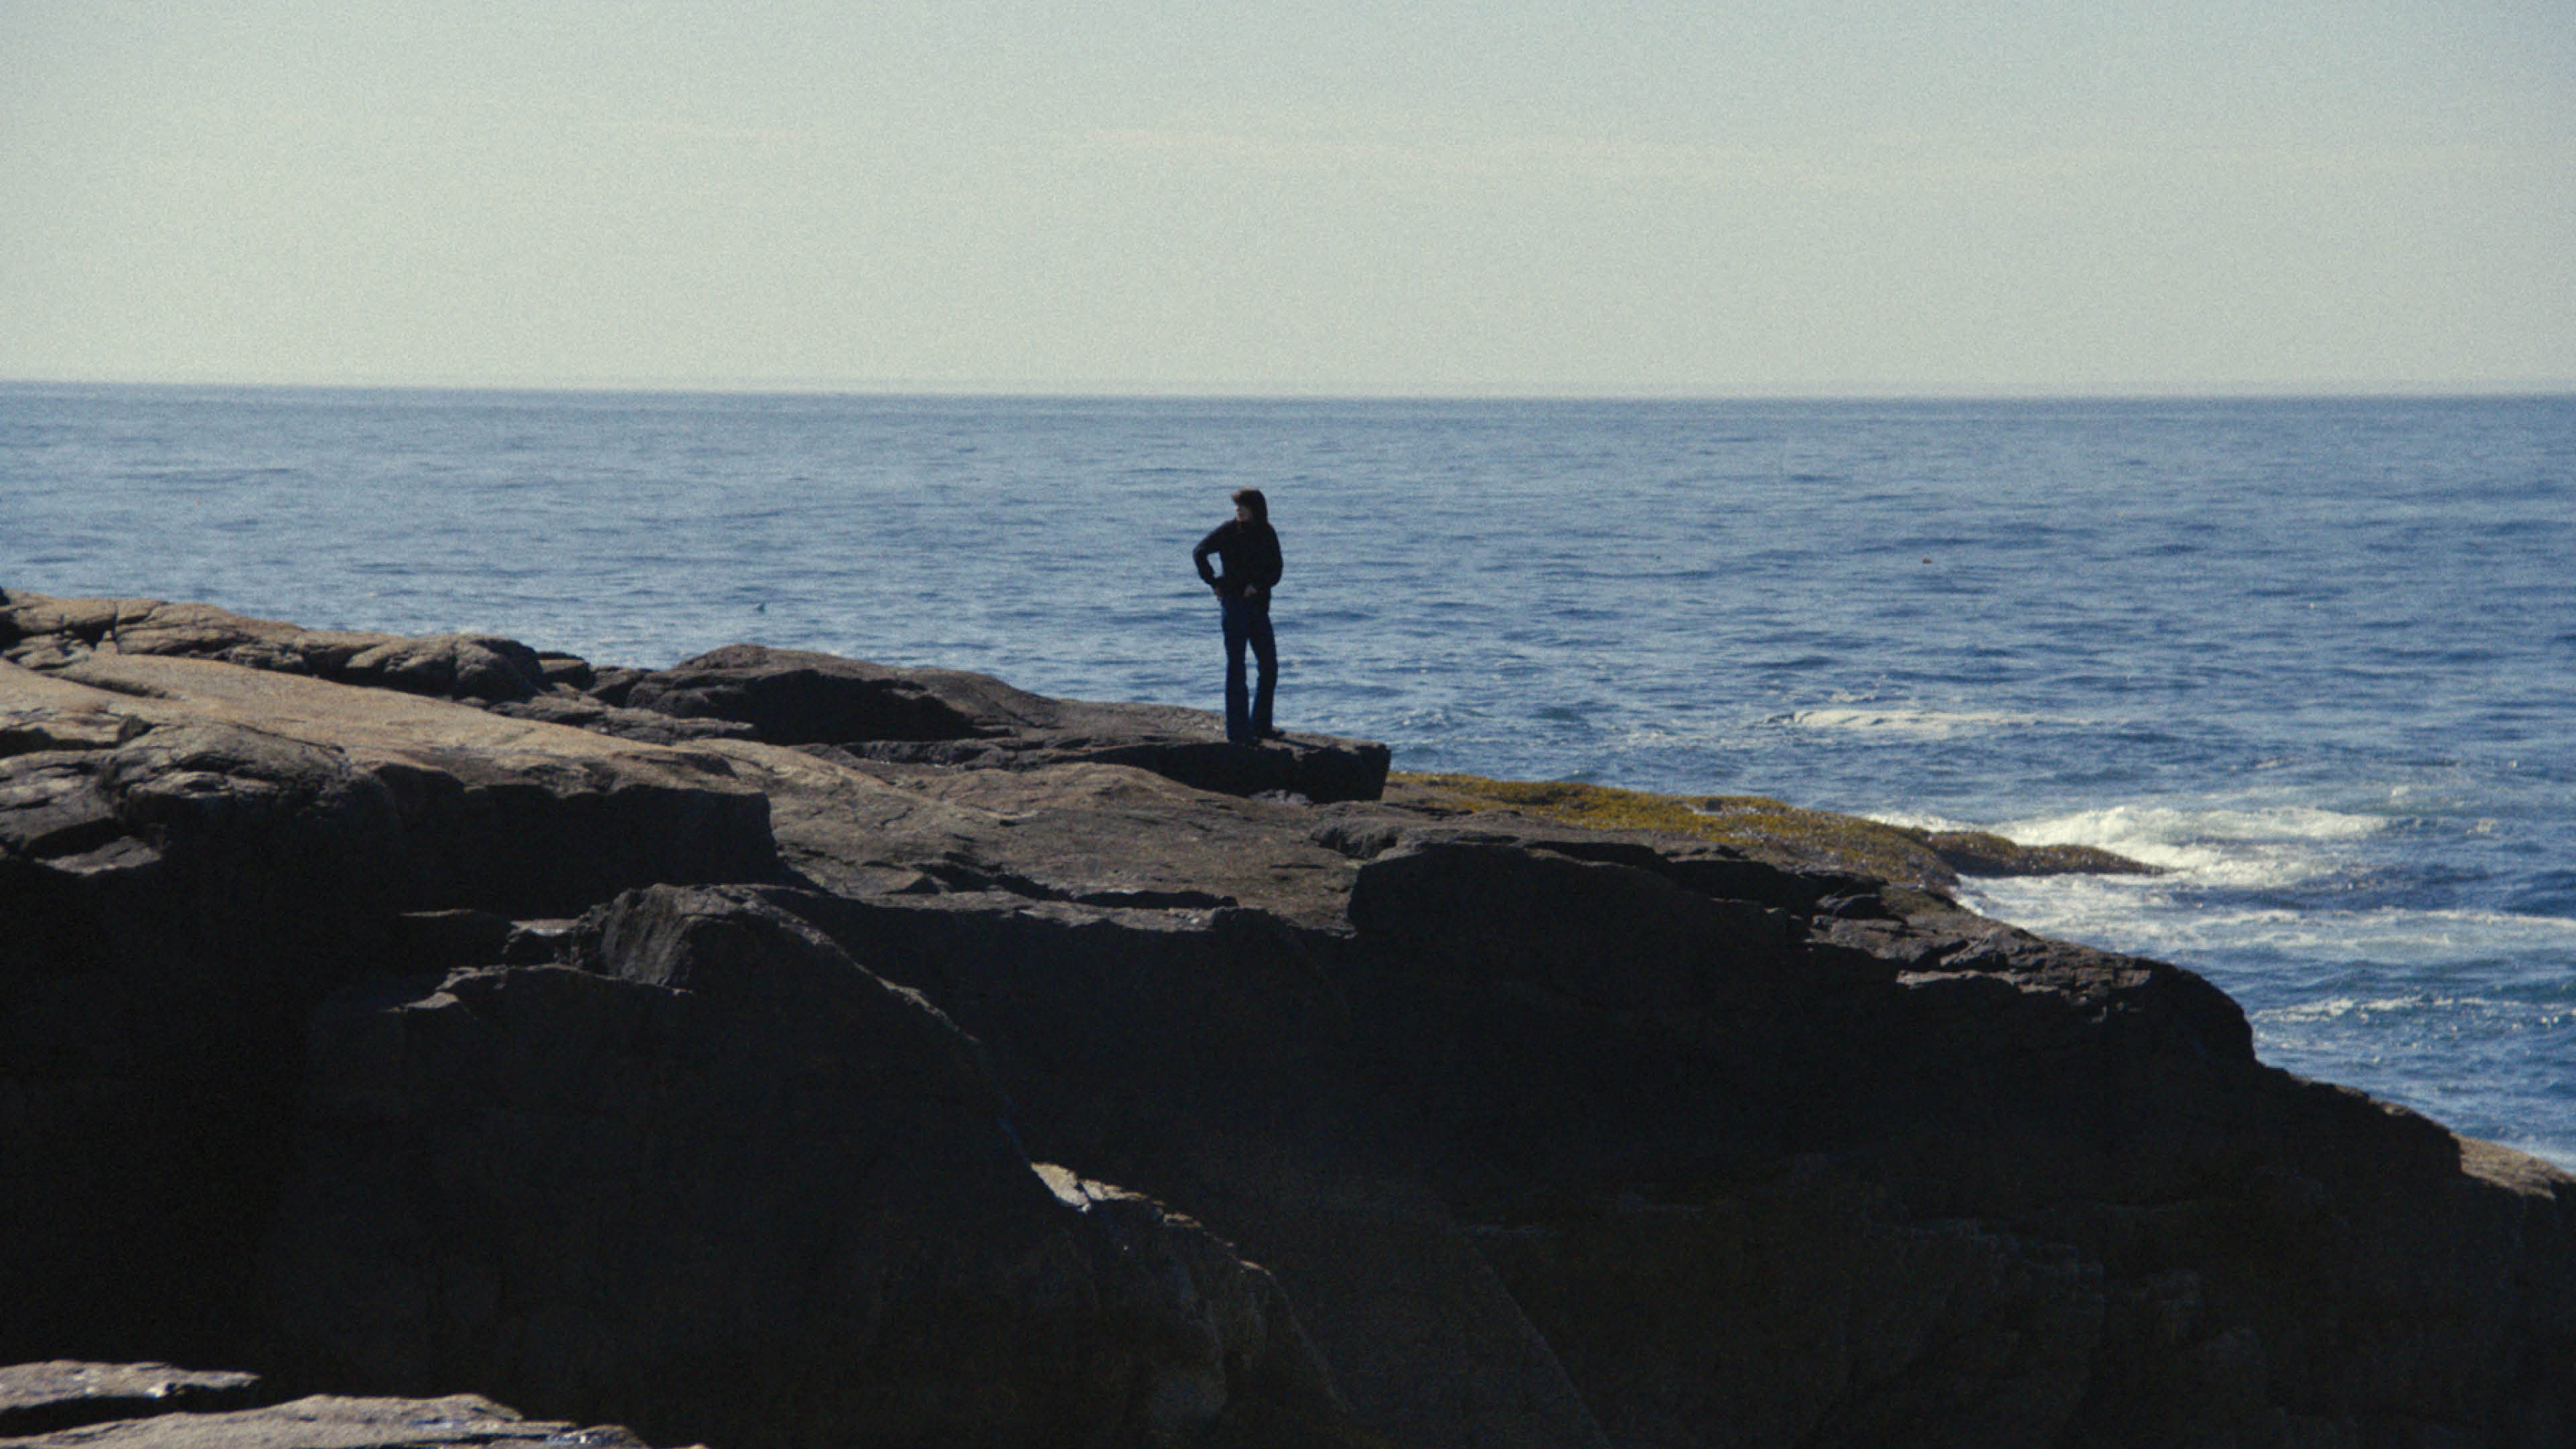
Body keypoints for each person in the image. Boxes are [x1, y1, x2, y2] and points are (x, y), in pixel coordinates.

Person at [1192, 488, 1283, 745]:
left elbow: (1276, 569)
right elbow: (1199, 551)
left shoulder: (1267, 532)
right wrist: (1213, 582)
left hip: (1258, 606)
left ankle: (1261, 725)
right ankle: (1238, 732)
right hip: (1234, 605)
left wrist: (1258, 586)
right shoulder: (1228, 530)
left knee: (1269, 665)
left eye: (1243, 506)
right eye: (1237, 506)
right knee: (1237, 666)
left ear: (1256, 509)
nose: (1238, 510)